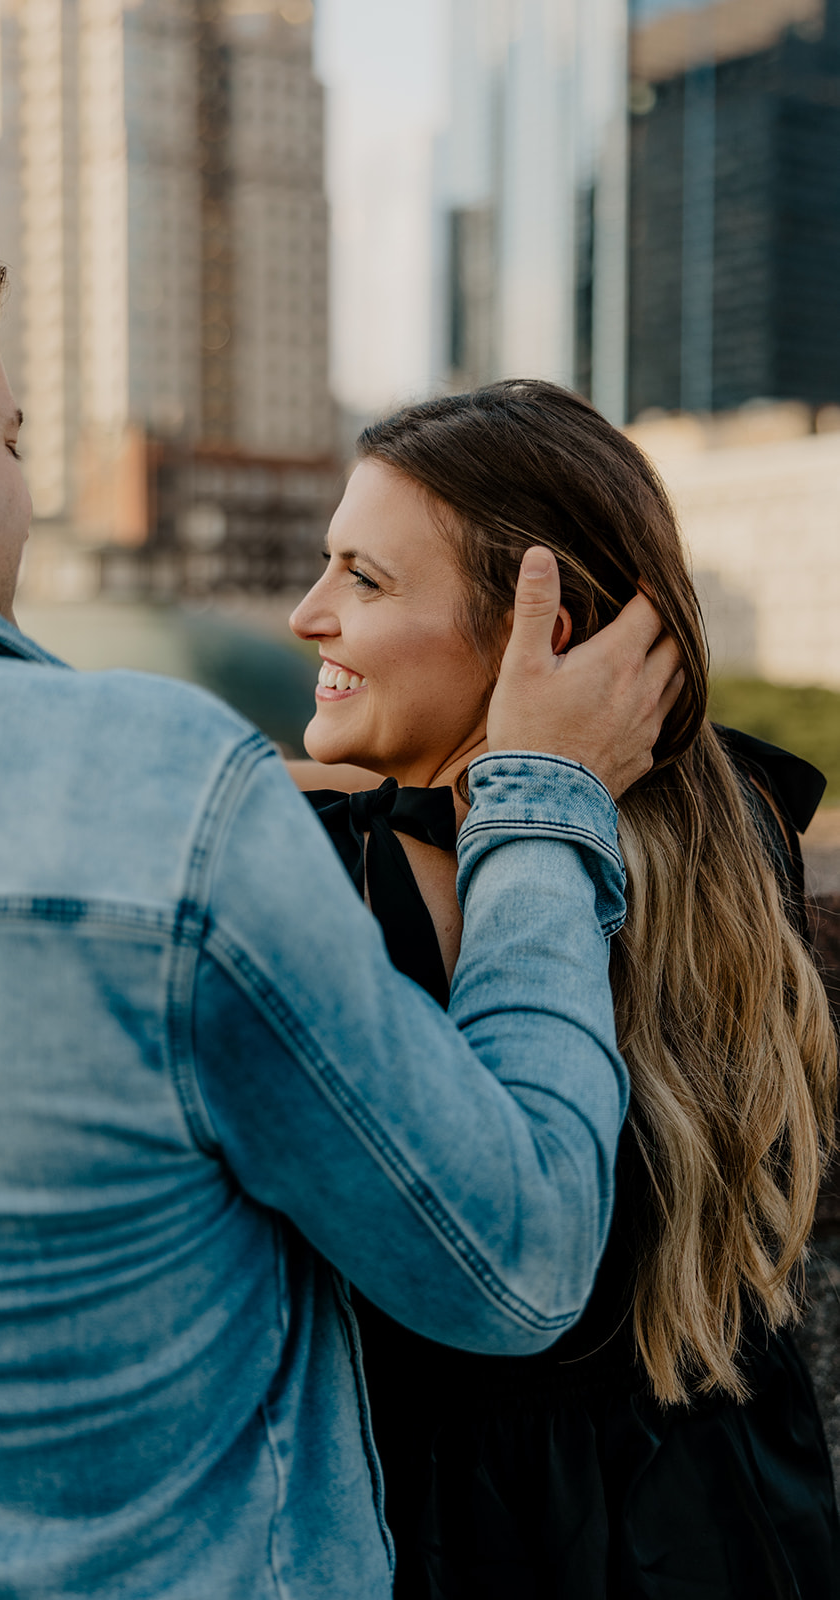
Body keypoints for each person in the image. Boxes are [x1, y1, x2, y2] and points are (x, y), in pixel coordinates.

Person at [0, 187, 683, 1598]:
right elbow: (508, 1256)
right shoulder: (155, 792)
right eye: (12, 440)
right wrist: (543, 803)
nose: (24, 487)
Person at [288, 379, 840, 1600]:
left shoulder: (329, 884)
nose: (303, 615)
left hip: (449, 1535)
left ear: (548, 636)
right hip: (727, 1506)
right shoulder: (734, 824)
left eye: (361, 580)